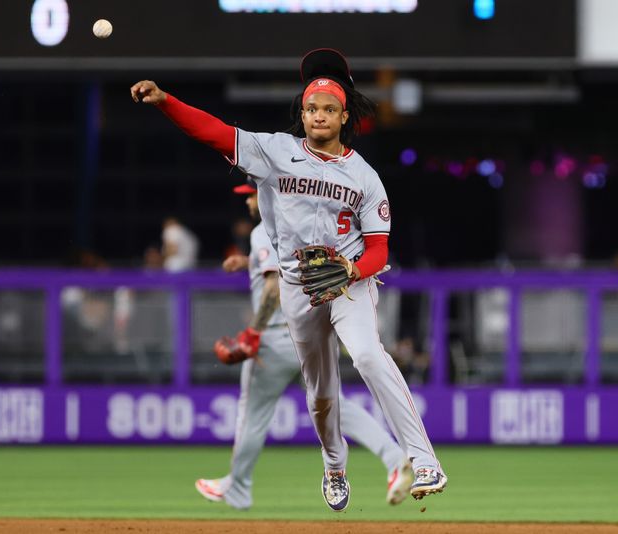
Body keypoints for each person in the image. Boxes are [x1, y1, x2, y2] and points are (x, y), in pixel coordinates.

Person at [131, 48, 447, 511]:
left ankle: (424, 461)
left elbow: (379, 250)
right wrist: (165, 101)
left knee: (367, 355)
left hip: (349, 281)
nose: (320, 116)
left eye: (329, 109)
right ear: (303, 114)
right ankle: (335, 465)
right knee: (320, 396)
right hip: (300, 284)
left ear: (344, 116)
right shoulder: (276, 150)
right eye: (312, 108)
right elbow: (214, 133)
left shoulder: (365, 177)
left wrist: (353, 272)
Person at [195, 181, 413, 510]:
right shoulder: (302, 225)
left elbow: (272, 289)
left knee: (251, 413)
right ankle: (395, 457)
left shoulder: (261, 231)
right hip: (312, 334)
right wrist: (250, 261)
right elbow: (284, 269)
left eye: (253, 195)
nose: (249, 202)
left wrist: (253, 333)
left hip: (275, 338)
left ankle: (238, 486)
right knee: (333, 406)